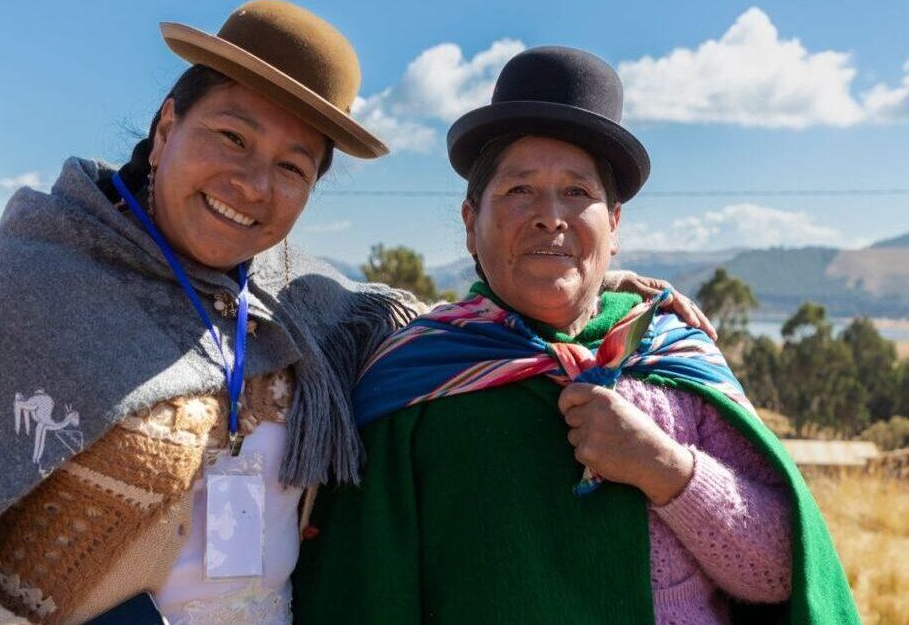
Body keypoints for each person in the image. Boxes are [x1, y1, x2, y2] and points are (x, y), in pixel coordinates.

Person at [0, 2, 708, 624]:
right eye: (230, 135)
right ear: (164, 127)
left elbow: (455, 329)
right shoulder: (38, 290)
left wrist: (613, 303)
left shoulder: (291, 305)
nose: (251, 183)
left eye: (293, 165)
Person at [293, 47, 859, 624]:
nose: (550, 216)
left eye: (578, 193)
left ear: (613, 226)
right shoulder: (414, 383)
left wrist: (662, 467)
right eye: (519, 191)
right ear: (470, 222)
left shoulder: (671, 355)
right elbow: (363, 594)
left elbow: (782, 575)